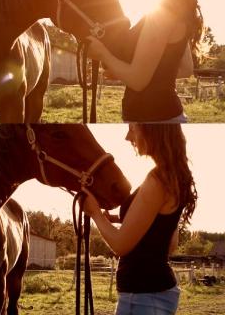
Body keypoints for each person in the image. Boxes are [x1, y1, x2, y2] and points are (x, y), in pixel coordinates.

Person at [87, 0, 203, 123]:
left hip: (153, 119)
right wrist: (126, 69)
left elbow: (138, 81)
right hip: (168, 115)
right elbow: (184, 68)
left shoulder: (163, 11)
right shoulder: (179, 4)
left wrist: (102, 54)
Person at [82, 123, 198, 315]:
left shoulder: (157, 180)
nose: (128, 137)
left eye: (132, 129)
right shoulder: (175, 177)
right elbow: (170, 243)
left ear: (152, 130)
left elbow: (120, 245)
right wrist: (123, 221)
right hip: (155, 294)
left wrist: (94, 212)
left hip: (143, 297)